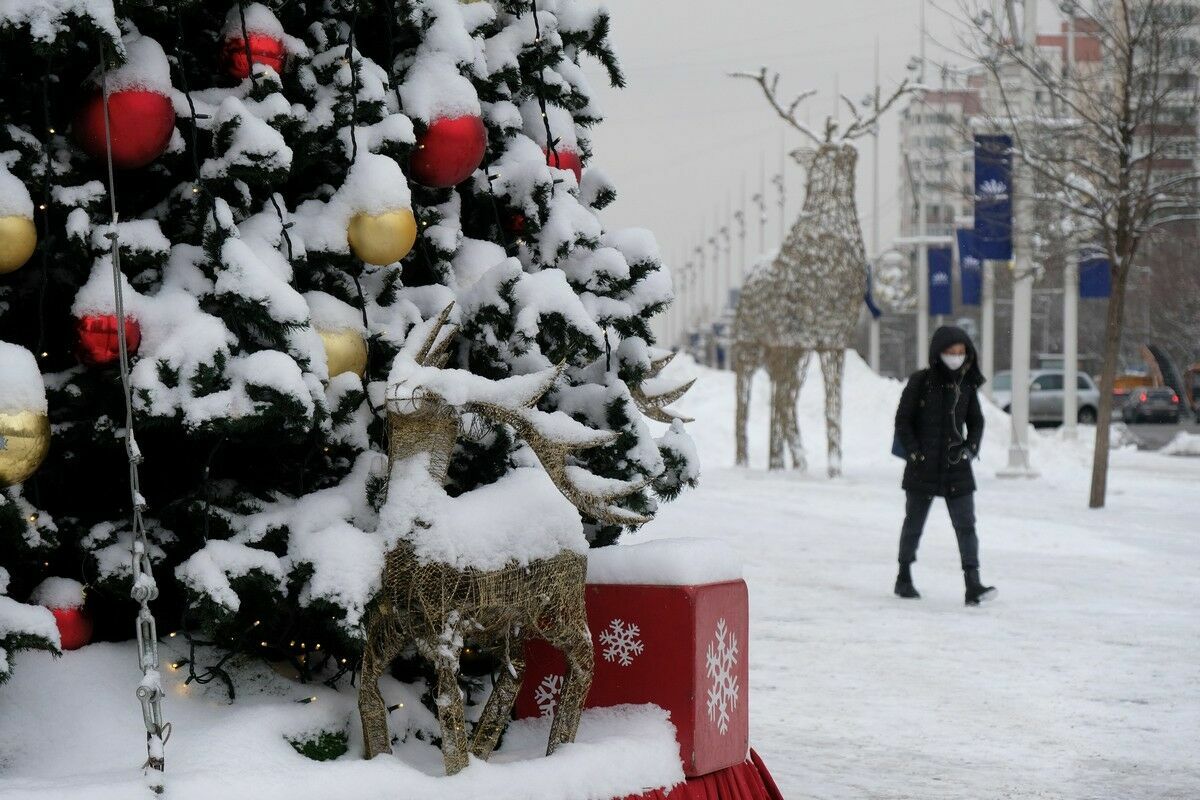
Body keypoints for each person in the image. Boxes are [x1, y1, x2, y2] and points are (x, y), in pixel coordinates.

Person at [893, 326, 997, 606]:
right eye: (951, 352)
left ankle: (972, 583)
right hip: (923, 466)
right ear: (938, 353)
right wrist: (914, 453)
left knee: (966, 525)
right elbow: (903, 420)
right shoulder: (920, 382)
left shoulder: (966, 384)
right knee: (914, 523)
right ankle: (903, 575)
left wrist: (970, 448)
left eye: (961, 352)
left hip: (956, 466)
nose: (956, 357)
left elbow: (976, 422)